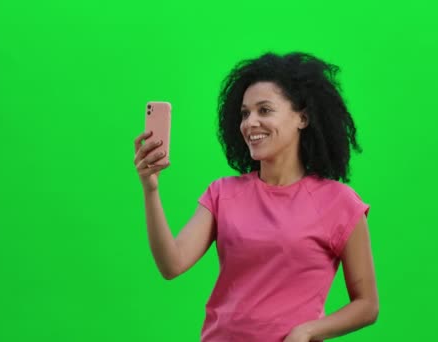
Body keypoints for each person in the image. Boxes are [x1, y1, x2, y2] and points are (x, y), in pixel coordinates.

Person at [134, 52, 379, 342]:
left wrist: (308, 330)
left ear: (302, 117)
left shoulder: (339, 203)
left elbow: (367, 305)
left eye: (264, 110)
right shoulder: (223, 193)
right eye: (245, 113)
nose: (250, 123)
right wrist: (151, 189)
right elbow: (171, 264)